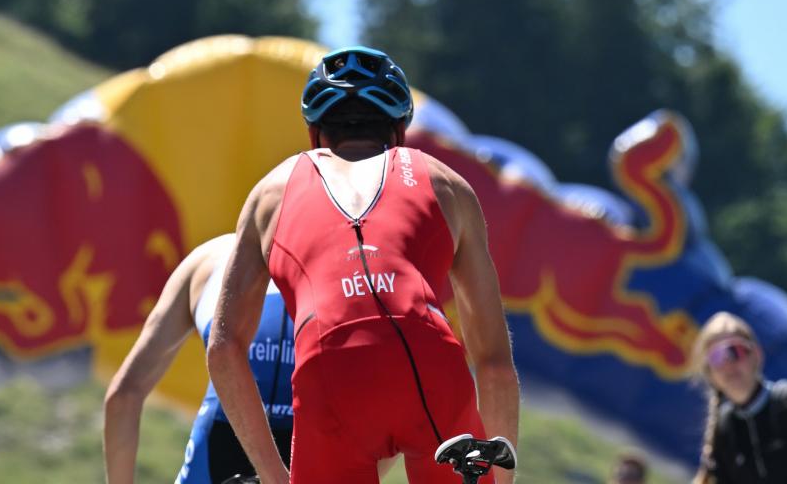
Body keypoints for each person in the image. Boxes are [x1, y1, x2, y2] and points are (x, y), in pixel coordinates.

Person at [207, 46, 520, 484]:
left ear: (316, 131)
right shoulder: (444, 181)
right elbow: (494, 362)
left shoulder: (271, 192)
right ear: (398, 127)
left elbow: (223, 348)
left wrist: (276, 476)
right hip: (428, 360)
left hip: (327, 365)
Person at [104, 234, 295, 484]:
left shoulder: (208, 259)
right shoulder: (349, 258)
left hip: (214, 451)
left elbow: (123, 395)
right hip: (309, 450)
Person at [690, 312, 787, 484]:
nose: (728, 364)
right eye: (716, 357)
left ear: (756, 355)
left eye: (735, 351)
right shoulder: (723, 429)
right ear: (709, 373)